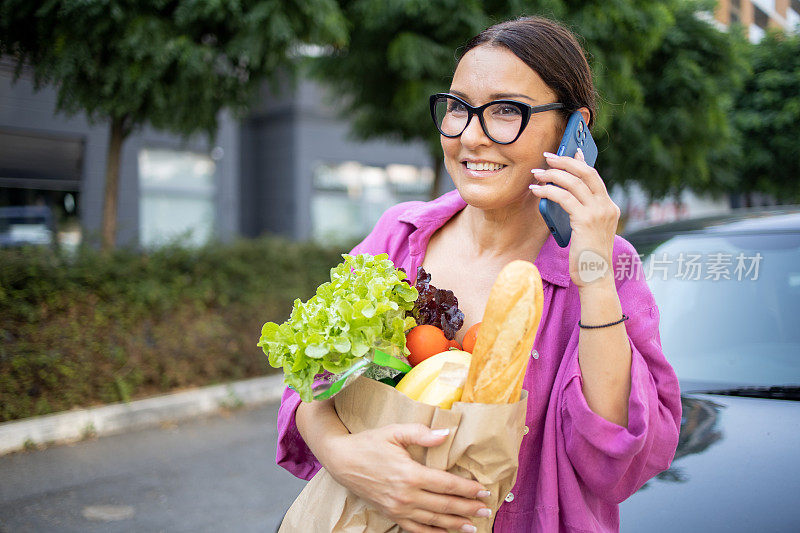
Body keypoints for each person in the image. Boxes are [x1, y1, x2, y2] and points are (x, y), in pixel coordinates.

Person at [276, 16, 681, 533]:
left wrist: (594, 273)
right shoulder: (399, 236)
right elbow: (309, 380)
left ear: (573, 127)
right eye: (459, 108)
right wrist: (346, 457)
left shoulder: (606, 264)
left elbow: (615, 458)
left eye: (506, 112)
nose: (471, 136)